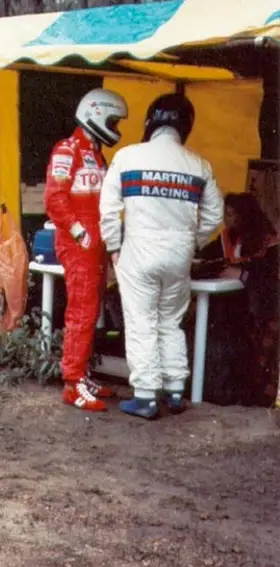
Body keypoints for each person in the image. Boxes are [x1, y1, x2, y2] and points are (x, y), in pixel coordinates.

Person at [98, 92, 225, 419]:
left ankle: (145, 397)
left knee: (142, 322)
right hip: (179, 254)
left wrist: (114, 246)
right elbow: (214, 215)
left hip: (139, 250)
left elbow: (109, 210)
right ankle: (174, 391)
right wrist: (192, 241)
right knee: (171, 323)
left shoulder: (127, 157)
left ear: (151, 122)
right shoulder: (198, 165)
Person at [44, 87, 128, 412]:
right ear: (96, 114)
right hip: (80, 245)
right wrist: (80, 233)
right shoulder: (67, 150)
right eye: (113, 121)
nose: (116, 128)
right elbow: (54, 198)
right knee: (81, 311)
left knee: (91, 312)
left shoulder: (95, 153)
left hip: (95, 245)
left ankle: (82, 375)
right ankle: (72, 383)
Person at [195, 192, 279, 406]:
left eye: (232, 214)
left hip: (262, 311)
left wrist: (243, 274)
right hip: (234, 309)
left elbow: (270, 278)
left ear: (246, 215)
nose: (227, 219)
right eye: (226, 214)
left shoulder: (268, 243)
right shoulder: (228, 239)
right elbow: (207, 256)